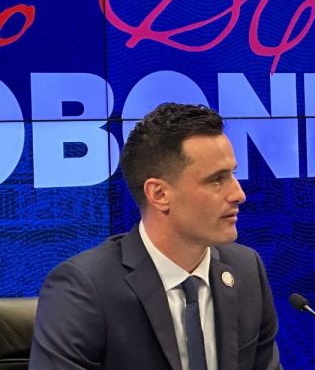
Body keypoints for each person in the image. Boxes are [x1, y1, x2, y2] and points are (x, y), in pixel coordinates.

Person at [30, 103, 282, 369]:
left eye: (233, 174)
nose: (238, 194)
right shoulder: (84, 288)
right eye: (217, 179)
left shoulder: (246, 269)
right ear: (159, 194)